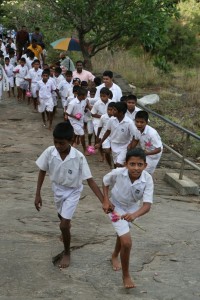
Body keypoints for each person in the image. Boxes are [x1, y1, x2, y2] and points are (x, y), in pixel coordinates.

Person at [34, 121, 103, 268]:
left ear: (71, 141)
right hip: (57, 189)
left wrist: (104, 201)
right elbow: (42, 170)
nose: (58, 146)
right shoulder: (49, 152)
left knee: (64, 225)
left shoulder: (78, 157)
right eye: (56, 142)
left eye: (62, 143)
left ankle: (67, 252)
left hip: (73, 191)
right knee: (61, 217)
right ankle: (66, 227)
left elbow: (90, 181)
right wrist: (37, 194)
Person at [102, 148, 153, 289]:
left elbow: (147, 205)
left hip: (133, 209)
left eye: (140, 164)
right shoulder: (118, 173)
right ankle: (126, 275)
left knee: (123, 235)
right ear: (125, 164)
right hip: (115, 207)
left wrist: (134, 214)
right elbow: (105, 182)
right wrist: (106, 200)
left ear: (145, 165)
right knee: (127, 242)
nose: (136, 168)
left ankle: (114, 255)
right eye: (132, 164)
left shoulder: (147, 179)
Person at [96, 102, 136, 168]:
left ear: (121, 112)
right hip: (114, 144)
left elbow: (134, 136)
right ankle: (117, 176)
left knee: (119, 164)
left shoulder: (129, 122)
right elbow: (108, 131)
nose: (112, 112)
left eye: (114, 110)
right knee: (116, 164)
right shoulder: (111, 119)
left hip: (124, 146)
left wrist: (130, 145)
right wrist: (100, 143)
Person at [66, 87, 89, 154]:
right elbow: (67, 113)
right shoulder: (72, 103)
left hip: (80, 120)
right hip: (74, 121)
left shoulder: (84, 101)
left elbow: (83, 108)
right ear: (81, 95)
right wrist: (75, 117)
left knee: (75, 135)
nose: (86, 96)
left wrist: (85, 111)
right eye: (85, 95)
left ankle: (69, 147)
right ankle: (85, 150)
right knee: (82, 134)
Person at [96, 102, 115, 168]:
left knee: (112, 151)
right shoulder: (103, 117)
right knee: (107, 151)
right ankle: (110, 165)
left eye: (111, 110)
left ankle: (112, 161)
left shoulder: (116, 118)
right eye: (108, 109)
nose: (109, 111)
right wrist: (98, 136)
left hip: (113, 136)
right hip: (104, 136)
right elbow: (100, 127)